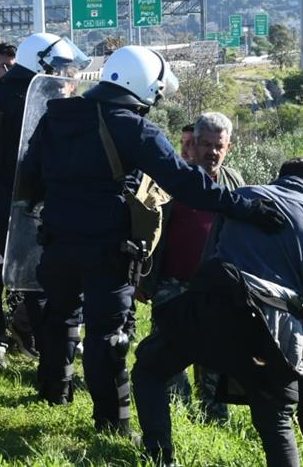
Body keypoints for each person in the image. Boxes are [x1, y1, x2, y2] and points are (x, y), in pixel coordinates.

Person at [17, 45, 285, 434]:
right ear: (142, 85)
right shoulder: (133, 126)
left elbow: (32, 174)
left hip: (56, 238)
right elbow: (187, 183)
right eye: (156, 92)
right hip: (106, 246)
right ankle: (112, 422)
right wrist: (246, 207)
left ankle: (54, 391)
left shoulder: (57, 115)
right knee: (108, 335)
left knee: (59, 315)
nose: (157, 100)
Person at [133, 158, 303, 467]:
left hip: (215, 306)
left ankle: (159, 458)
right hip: (273, 327)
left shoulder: (247, 196)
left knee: (149, 367)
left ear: (282, 178)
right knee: (276, 416)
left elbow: (209, 258)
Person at [0, 33, 75, 373]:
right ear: (41, 62)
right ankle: (52, 365)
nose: (63, 73)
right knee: (35, 283)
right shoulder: (35, 100)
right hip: (15, 205)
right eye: (59, 66)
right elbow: (39, 159)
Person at [137, 111, 244, 421]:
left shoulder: (234, 181)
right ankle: (175, 413)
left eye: (218, 145)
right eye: (205, 144)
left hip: (218, 287)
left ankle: (213, 416)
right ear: (193, 145)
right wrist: (143, 279)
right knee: (168, 349)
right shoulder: (171, 179)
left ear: (228, 147)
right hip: (173, 282)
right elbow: (149, 228)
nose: (212, 151)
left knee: (216, 353)